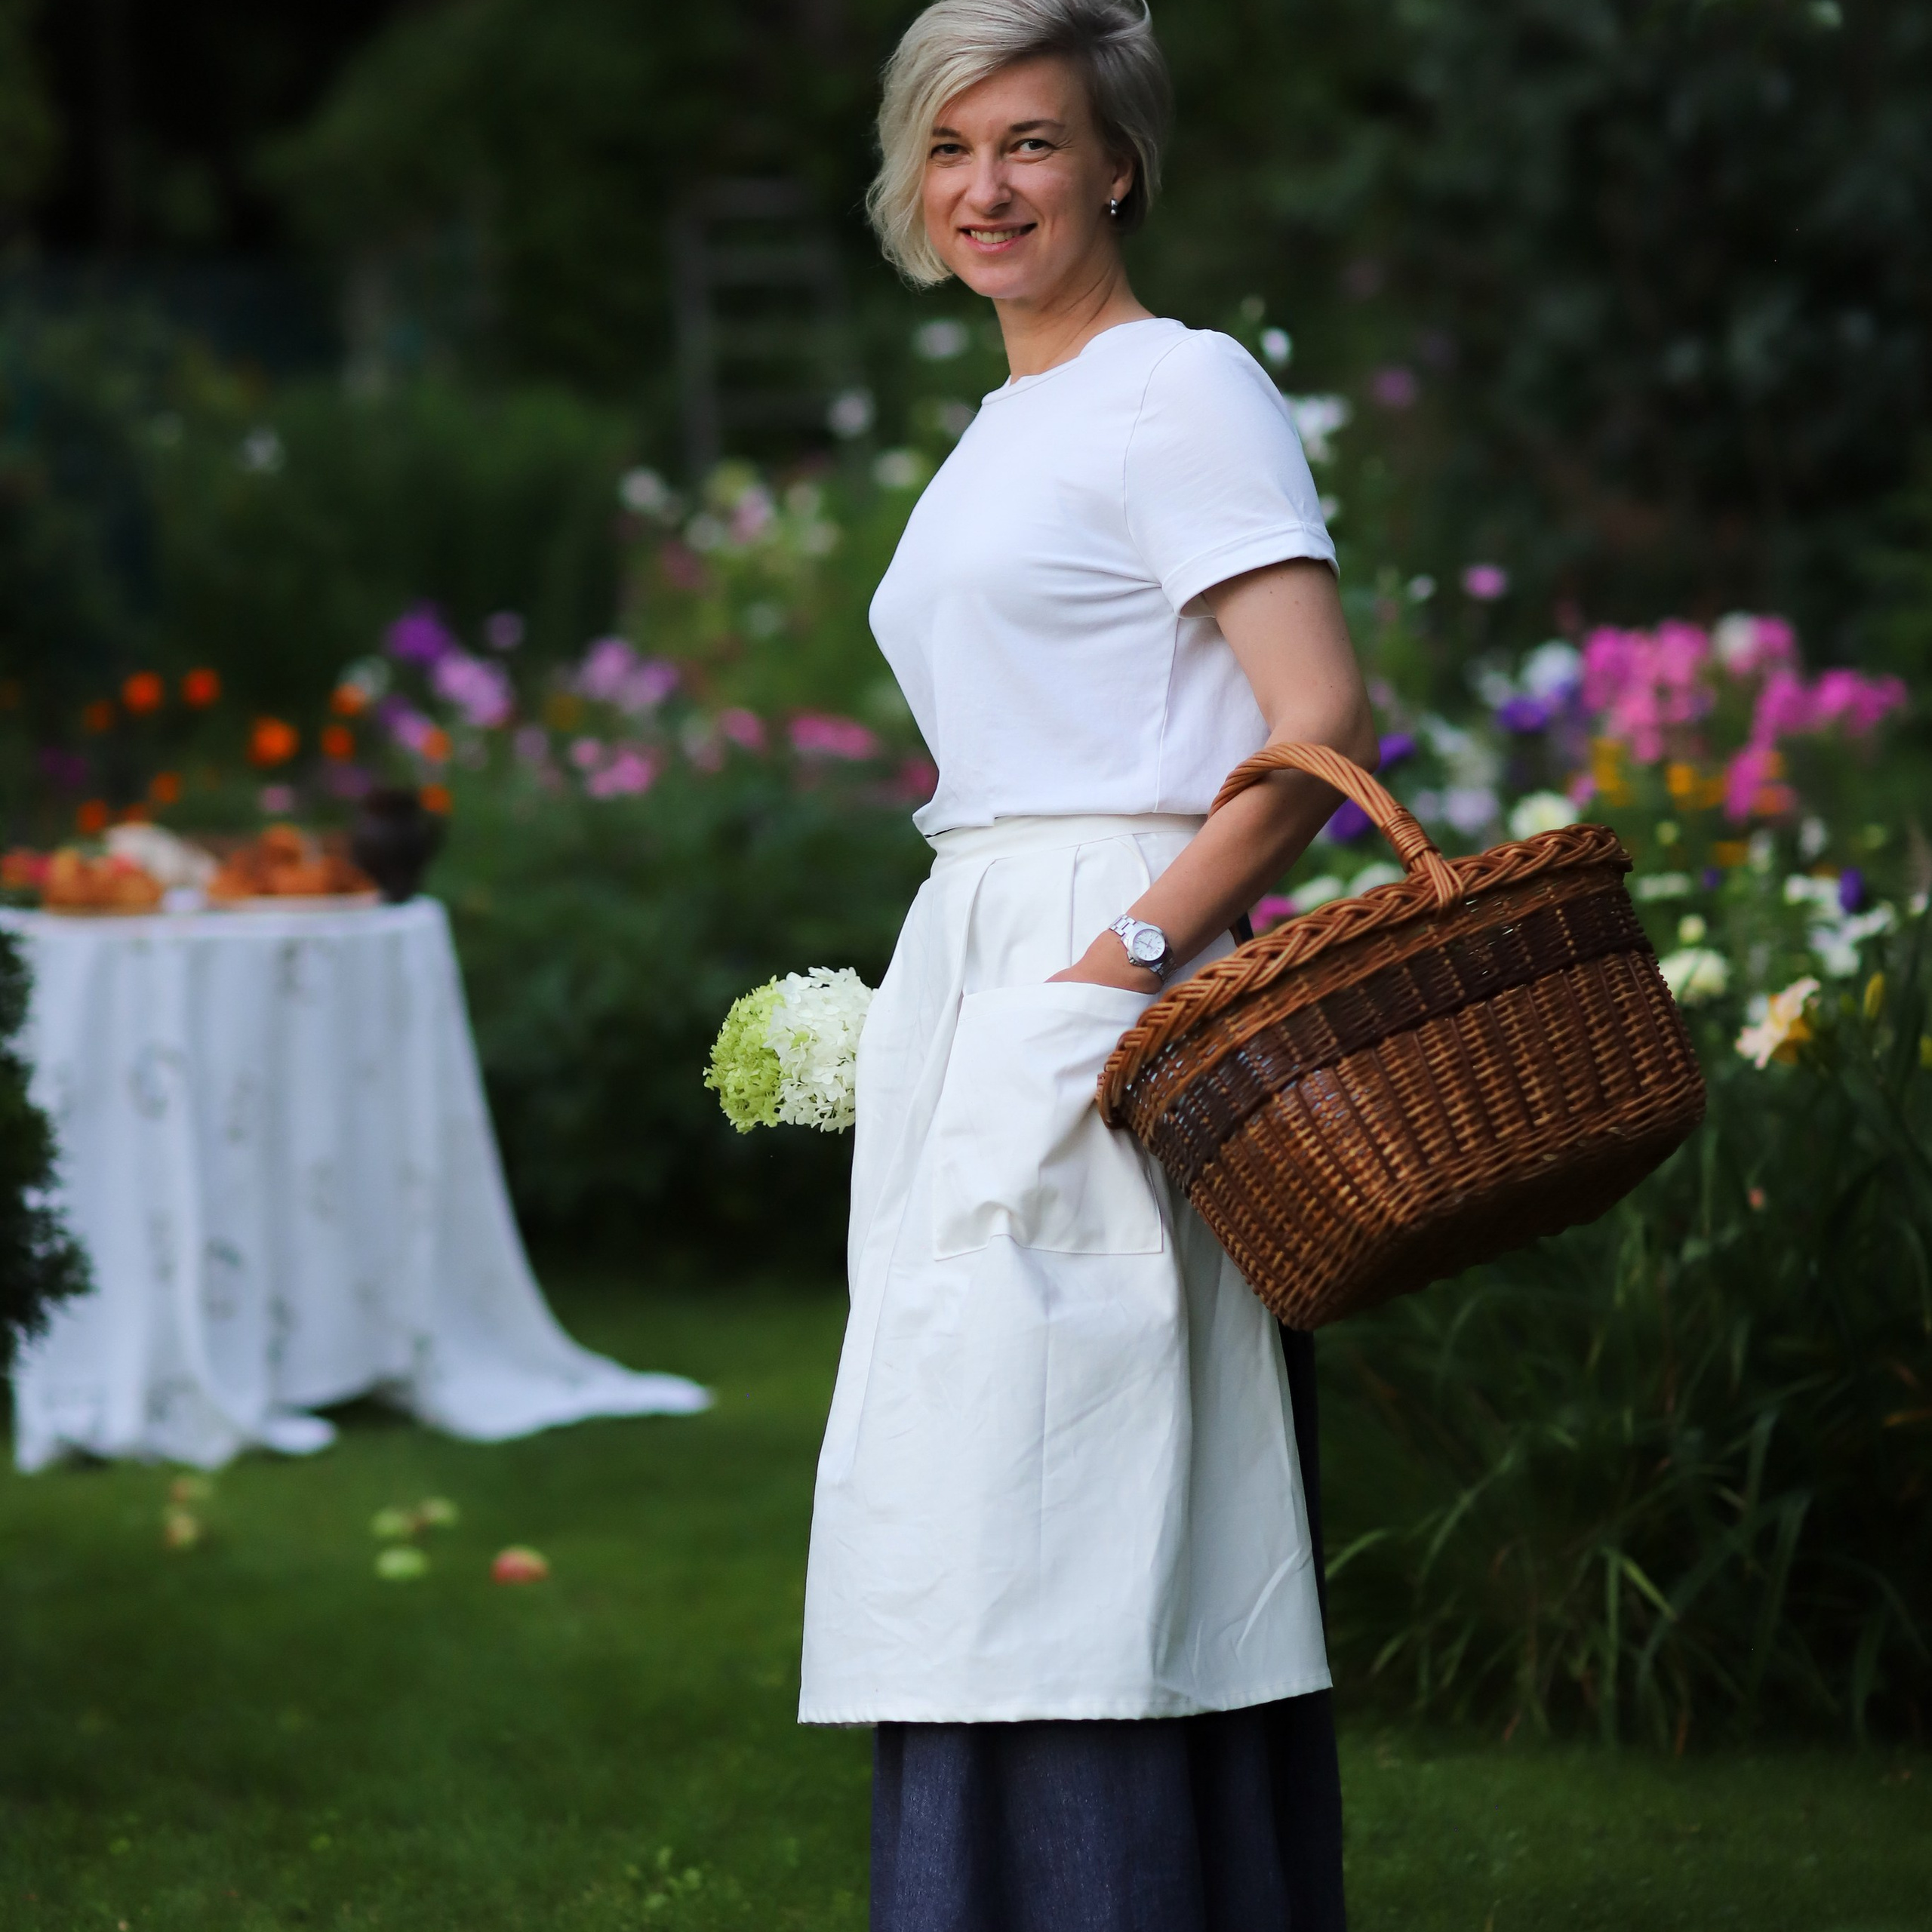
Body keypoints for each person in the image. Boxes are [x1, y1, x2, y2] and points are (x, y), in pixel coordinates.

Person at [801, 2, 1377, 1924]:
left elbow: (1312, 726)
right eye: (950, 147)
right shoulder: (1006, 415)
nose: (986, 186)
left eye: (1031, 143)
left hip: (1105, 967)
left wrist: (1109, 971)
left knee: (1101, 1474)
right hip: (1000, 951)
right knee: (973, 1481)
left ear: (1115, 163)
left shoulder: (1177, 386)